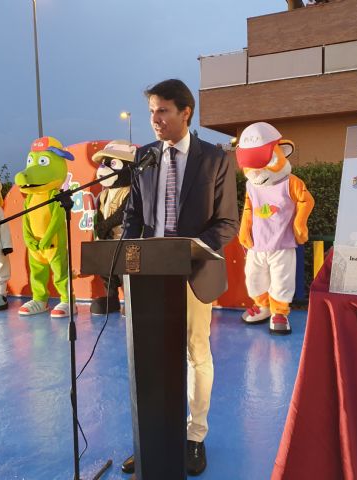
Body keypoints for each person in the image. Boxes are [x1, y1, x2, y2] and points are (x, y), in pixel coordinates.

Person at [121, 79, 239, 476]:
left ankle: (194, 436)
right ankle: (154, 437)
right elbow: (134, 216)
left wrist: (187, 249)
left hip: (193, 272)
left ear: (186, 112)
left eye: (163, 111)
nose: (155, 119)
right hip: (147, 276)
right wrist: (124, 250)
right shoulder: (144, 157)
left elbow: (227, 223)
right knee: (149, 359)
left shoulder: (214, 158)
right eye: (152, 111)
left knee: (195, 354)